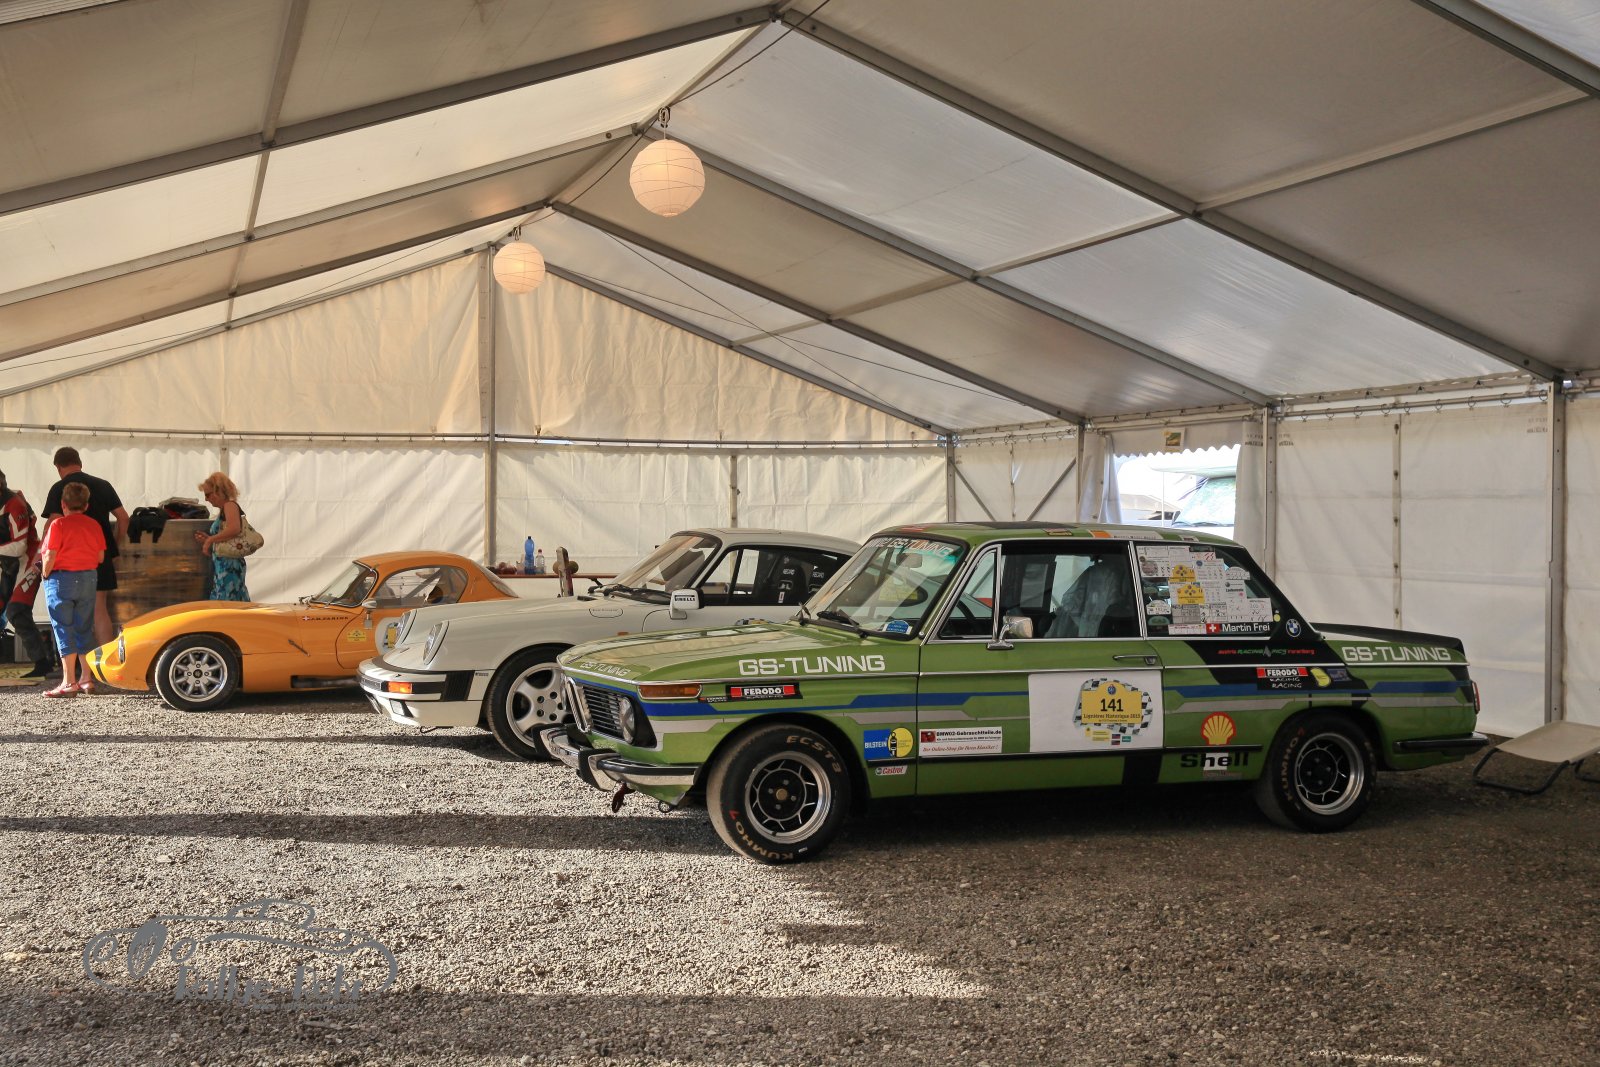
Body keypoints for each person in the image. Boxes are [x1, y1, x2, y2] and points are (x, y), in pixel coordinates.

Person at [42, 447, 128, 646]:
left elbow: (52, 523)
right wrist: (114, 547)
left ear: (58, 467)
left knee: (68, 614)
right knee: (99, 611)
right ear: (80, 463)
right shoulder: (103, 485)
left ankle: (75, 663)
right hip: (99, 557)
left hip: (68, 563)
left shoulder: (59, 488)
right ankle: (106, 661)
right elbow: (124, 518)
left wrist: (43, 556)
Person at [39, 481, 105, 697]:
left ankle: (69, 682)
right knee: (84, 627)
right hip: (88, 578)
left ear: (63, 504)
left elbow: (50, 554)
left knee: (63, 627)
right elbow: (100, 557)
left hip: (61, 579)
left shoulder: (57, 524)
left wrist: (45, 573)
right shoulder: (94, 525)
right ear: (86, 505)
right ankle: (87, 679)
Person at [194, 472, 251, 602]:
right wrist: (209, 539)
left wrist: (210, 539)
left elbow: (234, 528)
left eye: (207, 495)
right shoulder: (226, 508)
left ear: (218, 492)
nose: (206, 499)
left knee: (227, 601)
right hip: (225, 565)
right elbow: (228, 537)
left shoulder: (229, 506)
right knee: (229, 600)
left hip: (229, 566)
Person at [1, 468, 38, 635]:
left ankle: (42, 656)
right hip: (7, 563)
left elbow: (20, 546)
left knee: (16, 612)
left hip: (29, 559)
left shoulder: (14, 504)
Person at [7, 549, 55, 679]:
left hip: (31, 559)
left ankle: (43, 661)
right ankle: (46, 652)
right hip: (19, 562)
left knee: (16, 610)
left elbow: (18, 544)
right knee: (15, 611)